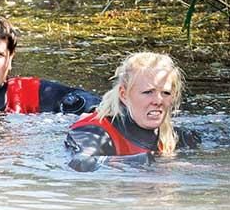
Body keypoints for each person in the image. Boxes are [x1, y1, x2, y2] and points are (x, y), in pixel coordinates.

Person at [65, 52, 200, 172]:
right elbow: (80, 163)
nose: (158, 101)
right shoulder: (93, 131)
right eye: (148, 92)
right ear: (124, 95)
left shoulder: (180, 138)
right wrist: (157, 162)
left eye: (166, 93)